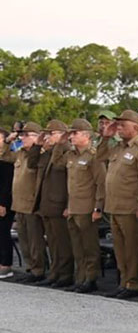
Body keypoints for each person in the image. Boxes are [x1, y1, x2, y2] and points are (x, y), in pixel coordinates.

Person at [103, 110, 138, 298]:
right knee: (119, 247)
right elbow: (99, 157)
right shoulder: (118, 147)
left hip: (131, 207)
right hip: (114, 206)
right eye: (117, 125)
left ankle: (134, 283)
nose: (119, 128)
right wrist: (106, 137)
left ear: (135, 127)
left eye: (122, 125)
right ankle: (124, 280)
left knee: (132, 248)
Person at [1, 122, 46, 281]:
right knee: (24, 240)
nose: (23, 138)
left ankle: (38, 270)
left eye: (27, 135)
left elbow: (34, 164)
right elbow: (4, 156)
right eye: (22, 135)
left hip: (31, 203)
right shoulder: (20, 153)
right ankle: (29, 267)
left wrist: (37, 145)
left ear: (36, 137)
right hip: (18, 203)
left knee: (35, 240)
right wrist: (7, 142)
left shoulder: (39, 153)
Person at [64, 118, 104, 293]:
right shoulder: (71, 156)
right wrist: (67, 205)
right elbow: (70, 184)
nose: (71, 136)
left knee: (89, 246)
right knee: (77, 246)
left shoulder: (94, 156)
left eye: (75, 133)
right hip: (73, 207)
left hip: (87, 207)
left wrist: (98, 207)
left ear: (86, 136)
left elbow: (100, 183)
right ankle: (80, 277)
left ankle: (91, 278)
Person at [34, 121, 74, 288]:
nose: (48, 137)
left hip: (60, 204)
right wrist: (38, 145)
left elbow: (59, 167)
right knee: (53, 242)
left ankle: (65, 274)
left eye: (52, 133)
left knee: (63, 243)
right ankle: (55, 272)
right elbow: (32, 163)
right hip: (47, 204)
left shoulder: (66, 152)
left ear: (62, 135)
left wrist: (61, 143)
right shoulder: (49, 153)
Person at [0, 125, 13, 279]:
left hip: (4, 201)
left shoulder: (7, 159)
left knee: (3, 232)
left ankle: (5, 264)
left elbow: (6, 183)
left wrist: (2, 203)